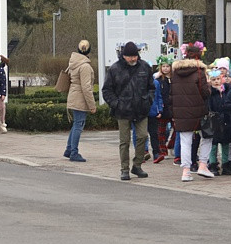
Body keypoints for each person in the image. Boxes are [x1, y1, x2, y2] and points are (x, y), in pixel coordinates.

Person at [102, 41, 154, 181]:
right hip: (122, 110)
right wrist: (116, 104)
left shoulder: (145, 67)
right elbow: (107, 90)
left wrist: (148, 100)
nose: (133, 59)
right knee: (124, 141)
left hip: (141, 109)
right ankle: (124, 169)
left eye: (135, 56)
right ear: (123, 56)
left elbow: (151, 87)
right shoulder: (115, 69)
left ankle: (137, 165)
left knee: (143, 136)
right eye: (130, 56)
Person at [170, 43, 214, 182]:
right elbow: (205, 93)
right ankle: (202, 164)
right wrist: (209, 85)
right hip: (198, 110)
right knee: (207, 136)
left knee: (185, 140)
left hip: (180, 111)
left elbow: (172, 93)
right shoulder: (199, 71)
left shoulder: (175, 72)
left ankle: (186, 171)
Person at [64, 40, 96, 161]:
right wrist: (92, 105)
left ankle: (69, 149)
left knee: (76, 123)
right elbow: (86, 88)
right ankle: (74, 152)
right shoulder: (85, 66)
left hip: (73, 96)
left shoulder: (74, 62)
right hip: (80, 99)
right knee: (79, 124)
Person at [150, 56, 173, 163]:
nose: (165, 68)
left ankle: (171, 146)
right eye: (163, 66)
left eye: (167, 66)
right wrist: (159, 108)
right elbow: (158, 95)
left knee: (176, 130)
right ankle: (162, 150)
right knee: (162, 131)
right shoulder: (159, 80)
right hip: (163, 108)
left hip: (173, 107)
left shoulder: (174, 79)